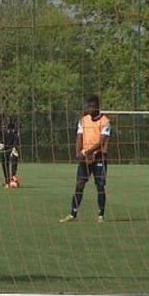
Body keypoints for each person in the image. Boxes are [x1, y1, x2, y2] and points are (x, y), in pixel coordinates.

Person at [60, 94, 111, 223]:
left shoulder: (105, 121)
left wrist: (88, 152)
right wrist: (79, 153)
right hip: (85, 157)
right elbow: (79, 137)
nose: (88, 109)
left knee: (100, 186)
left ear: (97, 107)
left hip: (99, 157)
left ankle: (101, 214)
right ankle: (73, 213)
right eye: (87, 106)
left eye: (91, 106)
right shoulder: (83, 120)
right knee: (79, 184)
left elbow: (101, 142)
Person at [0, 116, 20, 188]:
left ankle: (10, 181)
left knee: (7, 166)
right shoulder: (12, 133)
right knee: (10, 165)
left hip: (7, 151)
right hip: (8, 151)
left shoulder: (6, 132)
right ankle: (10, 180)